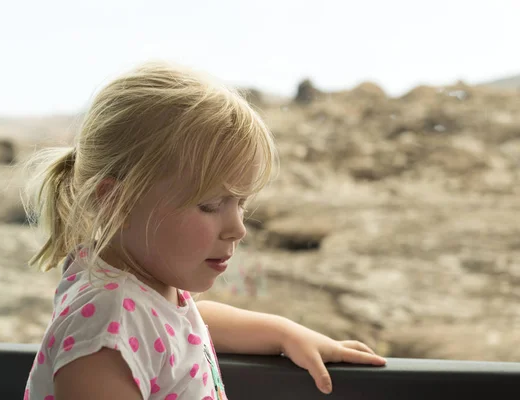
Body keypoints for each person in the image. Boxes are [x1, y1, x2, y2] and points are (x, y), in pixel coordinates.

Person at [22, 61, 386, 400]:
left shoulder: (138, 289)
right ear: (118, 201)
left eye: (240, 204)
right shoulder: (105, 336)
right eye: (210, 205)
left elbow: (181, 324)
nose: (238, 229)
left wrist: (282, 332)